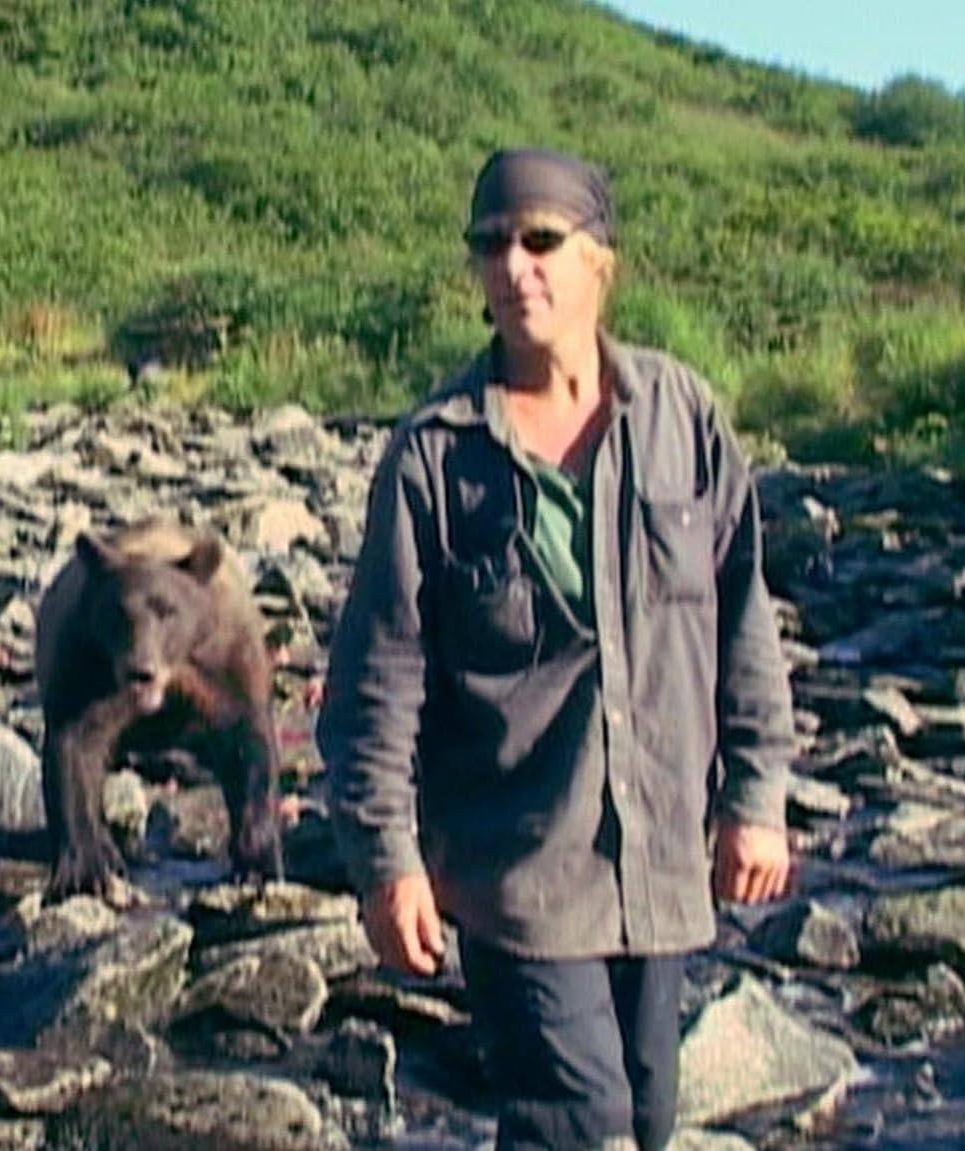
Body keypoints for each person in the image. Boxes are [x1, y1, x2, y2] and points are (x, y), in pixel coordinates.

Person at [316, 148, 797, 1151]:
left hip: (659, 860)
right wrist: (386, 861)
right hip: (515, 872)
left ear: (599, 261)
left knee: (646, 1117)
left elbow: (742, 621)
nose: (513, 266)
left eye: (541, 240)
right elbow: (375, 684)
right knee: (580, 1121)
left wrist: (755, 798)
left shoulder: (682, 418)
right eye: (490, 244)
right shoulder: (434, 455)